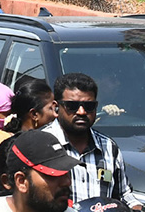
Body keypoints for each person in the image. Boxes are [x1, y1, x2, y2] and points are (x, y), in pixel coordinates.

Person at [45, 72, 131, 201]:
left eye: (89, 106)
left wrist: (140, 211)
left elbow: (123, 195)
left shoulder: (108, 147)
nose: (81, 112)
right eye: (72, 106)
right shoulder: (41, 143)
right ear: (56, 108)